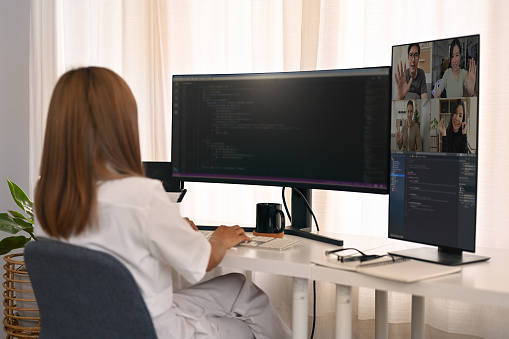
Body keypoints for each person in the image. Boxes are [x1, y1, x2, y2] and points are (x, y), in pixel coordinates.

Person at [34, 67, 292, 339]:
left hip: (96, 325)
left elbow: (107, 240)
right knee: (244, 325)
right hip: (149, 330)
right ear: (120, 124)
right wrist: (219, 239)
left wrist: (168, 227)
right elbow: (204, 260)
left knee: (239, 287)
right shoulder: (141, 194)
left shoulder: (46, 193)